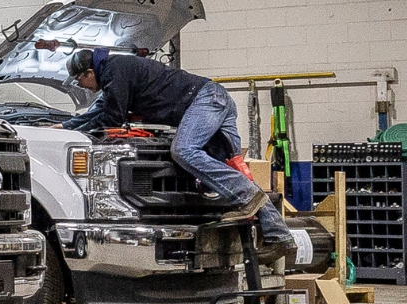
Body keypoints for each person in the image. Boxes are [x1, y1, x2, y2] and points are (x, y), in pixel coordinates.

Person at [62, 48, 291, 253]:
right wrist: (63, 127)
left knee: (184, 150)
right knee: (232, 167)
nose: (81, 86)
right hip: (215, 97)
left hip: (205, 99)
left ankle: (246, 198)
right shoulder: (116, 74)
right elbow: (97, 113)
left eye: (79, 80)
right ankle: (278, 234)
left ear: (89, 72)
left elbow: (112, 117)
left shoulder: (115, 70)